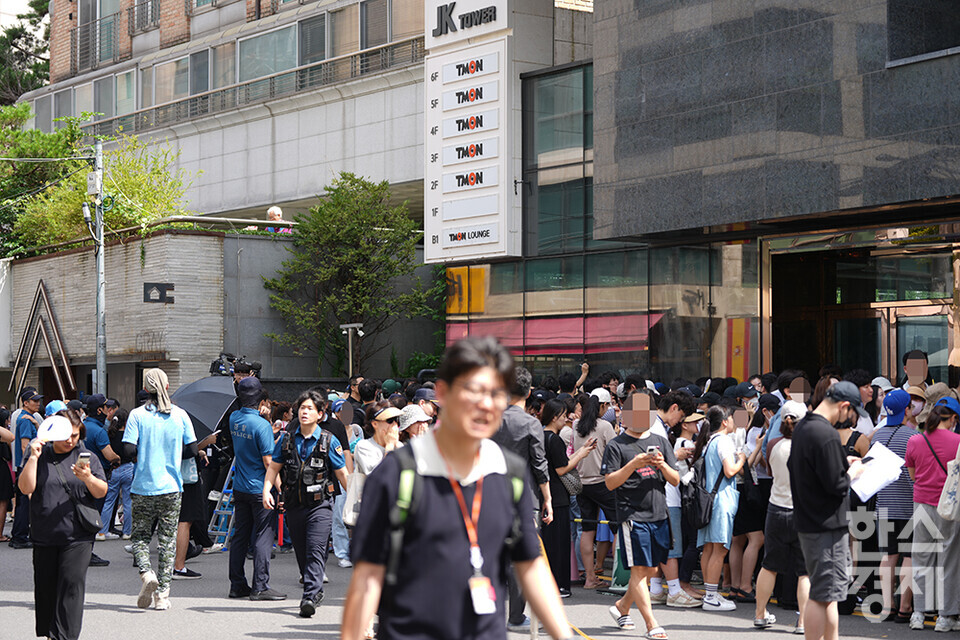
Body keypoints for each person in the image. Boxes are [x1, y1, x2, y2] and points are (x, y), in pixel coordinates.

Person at [341, 336, 574, 640]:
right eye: (474, 391)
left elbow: (530, 566)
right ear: (443, 393)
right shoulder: (398, 473)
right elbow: (367, 579)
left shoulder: (510, 473)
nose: (486, 405)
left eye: (496, 394)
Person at [788, 381, 866, 640]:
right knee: (823, 595)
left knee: (827, 594)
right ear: (844, 406)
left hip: (809, 521)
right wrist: (852, 471)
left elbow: (806, 468)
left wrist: (840, 462)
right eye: (852, 413)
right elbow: (838, 484)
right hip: (827, 525)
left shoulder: (804, 428)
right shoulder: (827, 434)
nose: (851, 419)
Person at [19, 411, 107, 640]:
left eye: (75, 435)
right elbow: (25, 488)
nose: (71, 440)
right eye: (66, 435)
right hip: (44, 533)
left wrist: (87, 478)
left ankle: (65, 637)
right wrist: (32, 458)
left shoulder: (85, 455)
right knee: (47, 589)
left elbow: (101, 491)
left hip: (77, 535)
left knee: (71, 587)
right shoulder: (39, 454)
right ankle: (51, 634)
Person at [601, 387, 680, 639]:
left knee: (651, 570)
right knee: (639, 570)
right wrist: (634, 464)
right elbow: (610, 482)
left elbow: (676, 480)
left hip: (659, 513)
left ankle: (622, 606)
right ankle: (651, 624)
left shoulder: (661, 442)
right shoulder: (617, 445)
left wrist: (662, 465)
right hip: (632, 516)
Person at [262, 390, 348, 618]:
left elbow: (342, 474)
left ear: (320, 414)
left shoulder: (329, 441)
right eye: (302, 408)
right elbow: (273, 467)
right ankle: (313, 584)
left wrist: (358, 501)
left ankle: (310, 595)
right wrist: (266, 491)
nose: (305, 412)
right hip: (293, 504)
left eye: (310, 409)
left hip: (320, 505)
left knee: (316, 548)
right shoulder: (287, 439)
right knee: (301, 550)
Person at [123, 368, 199, 611]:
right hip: (172, 487)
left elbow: (127, 450)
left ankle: (147, 574)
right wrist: (172, 454)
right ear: (167, 387)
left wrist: (144, 453)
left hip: (143, 487)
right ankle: (163, 596)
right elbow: (193, 450)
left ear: (146, 389)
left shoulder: (137, 415)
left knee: (140, 537)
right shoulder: (180, 415)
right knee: (167, 542)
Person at [491, 365, 553, 630]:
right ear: (529, 391)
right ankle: (515, 617)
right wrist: (548, 499)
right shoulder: (531, 423)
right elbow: (540, 465)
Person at [753, 400, 810, 633]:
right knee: (805, 571)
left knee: (769, 566)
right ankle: (803, 622)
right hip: (802, 512)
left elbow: (769, 471)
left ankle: (759, 614)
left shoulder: (774, 444)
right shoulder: (809, 447)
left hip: (776, 508)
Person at [227, 377, 285, 599]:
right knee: (262, 536)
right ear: (261, 398)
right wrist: (280, 489)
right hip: (261, 488)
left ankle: (237, 585)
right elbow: (269, 462)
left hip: (240, 486)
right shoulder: (261, 425)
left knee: (240, 535)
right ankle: (260, 586)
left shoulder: (234, 418)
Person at [906, 400, 960, 631]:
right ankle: (945, 616)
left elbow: (912, 475)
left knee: (922, 558)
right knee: (949, 560)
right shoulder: (958, 441)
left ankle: (918, 613)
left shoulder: (915, 440)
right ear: (953, 419)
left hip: (922, 504)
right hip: (948, 506)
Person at [870, 388, 917, 623]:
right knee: (908, 556)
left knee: (888, 556)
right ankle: (904, 607)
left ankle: (887, 606)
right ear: (907, 409)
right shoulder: (912, 437)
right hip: (908, 506)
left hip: (884, 506)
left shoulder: (877, 436)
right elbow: (915, 475)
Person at [693, 405, 746, 612]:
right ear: (725, 421)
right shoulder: (724, 441)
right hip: (721, 500)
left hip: (708, 500)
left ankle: (710, 594)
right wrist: (741, 458)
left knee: (708, 548)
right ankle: (712, 597)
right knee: (719, 550)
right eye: (732, 418)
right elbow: (730, 470)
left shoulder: (709, 441)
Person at [541, 398, 595, 597]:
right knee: (560, 544)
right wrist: (581, 455)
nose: (567, 419)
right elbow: (562, 468)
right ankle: (559, 585)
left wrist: (582, 450)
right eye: (564, 415)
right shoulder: (554, 439)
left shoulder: (541, 435)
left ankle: (550, 584)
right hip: (558, 497)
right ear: (555, 417)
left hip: (546, 494)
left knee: (548, 543)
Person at [572, 394, 619, 591]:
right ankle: (619, 578)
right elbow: (616, 449)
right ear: (601, 406)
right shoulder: (605, 426)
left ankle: (589, 578)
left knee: (587, 529)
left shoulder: (576, 426)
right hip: (603, 482)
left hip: (582, 483)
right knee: (619, 527)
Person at [82, 394, 120, 567]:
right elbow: (109, 455)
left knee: (83, 516)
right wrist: (119, 458)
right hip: (97, 477)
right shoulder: (99, 431)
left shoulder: (82, 427)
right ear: (99, 410)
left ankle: (81, 551)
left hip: (81, 475)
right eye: (106, 407)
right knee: (93, 516)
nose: (108, 410)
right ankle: (87, 553)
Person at [10, 389, 43, 549]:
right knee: (24, 503)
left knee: (25, 503)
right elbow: (25, 446)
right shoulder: (24, 420)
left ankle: (20, 536)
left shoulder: (30, 419)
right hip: (26, 467)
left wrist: (36, 423)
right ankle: (19, 537)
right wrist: (32, 465)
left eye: (38, 400)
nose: (37, 403)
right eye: (34, 400)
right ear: (25, 402)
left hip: (25, 466)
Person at [97, 408, 135, 540]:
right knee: (128, 501)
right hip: (128, 468)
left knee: (109, 501)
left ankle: (102, 531)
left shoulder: (109, 434)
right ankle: (127, 532)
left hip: (114, 469)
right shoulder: (129, 435)